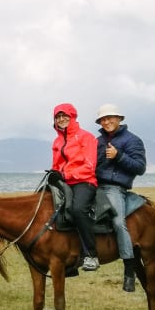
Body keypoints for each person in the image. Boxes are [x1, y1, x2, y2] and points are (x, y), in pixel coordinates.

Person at [95, 104, 147, 291]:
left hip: (115, 188)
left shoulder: (133, 141)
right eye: (103, 119)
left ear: (119, 119)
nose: (106, 121)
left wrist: (119, 156)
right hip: (94, 185)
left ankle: (129, 267)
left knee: (118, 221)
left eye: (110, 118)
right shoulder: (97, 141)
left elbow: (140, 168)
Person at [51, 104, 100, 271]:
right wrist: (54, 174)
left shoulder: (86, 137)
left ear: (73, 117)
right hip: (64, 183)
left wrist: (65, 175)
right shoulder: (57, 141)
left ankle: (91, 255)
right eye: (58, 116)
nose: (61, 119)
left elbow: (89, 166)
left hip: (84, 181)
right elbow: (56, 165)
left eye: (65, 116)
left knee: (78, 209)